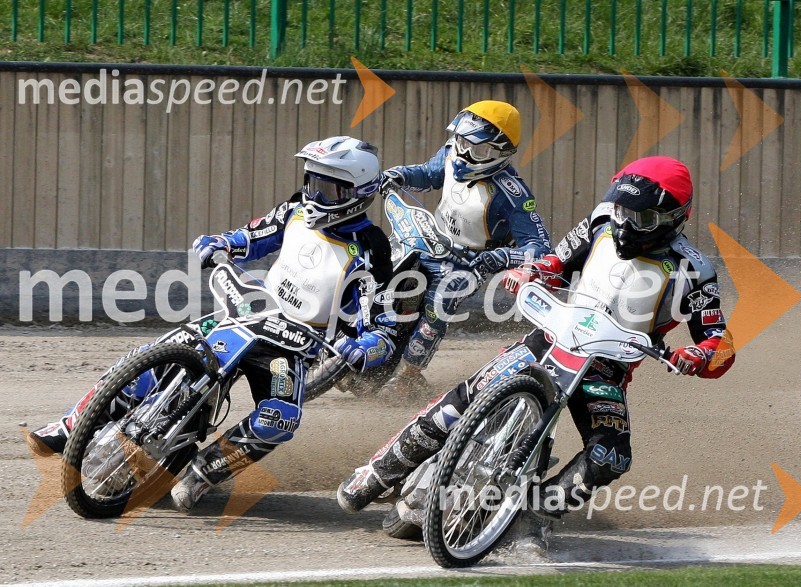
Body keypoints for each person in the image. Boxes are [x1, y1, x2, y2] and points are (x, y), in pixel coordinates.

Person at [337, 155, 736, 517]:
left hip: (604, 371)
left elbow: (719, 342)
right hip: (550, 337)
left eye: (642, 219)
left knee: (609, 457)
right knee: (464, 398)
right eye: (621, 210)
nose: (625, 225)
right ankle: (376, 472)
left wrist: (697, 356)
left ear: (675, 217)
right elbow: (556, 261)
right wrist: (533, 271)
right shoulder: (600, 220)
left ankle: (530, 514)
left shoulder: (695, 270)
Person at [28, 136, 397, 513]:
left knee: (280, 418)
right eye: (311, 182)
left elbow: (384, 324)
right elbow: (254, 236)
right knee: (150, 357)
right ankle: (72, 424)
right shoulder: (295, 210)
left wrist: (366, 346)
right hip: (249, 312)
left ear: (359, 192)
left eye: (328, 188)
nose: (314, 195)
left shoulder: (372, 248)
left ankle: (203, 472)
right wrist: (223, 242)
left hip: (293, 346)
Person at [378, 100, 551, 399]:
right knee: (376, 269)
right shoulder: (450, 152)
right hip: (426, 237)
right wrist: (401, 175)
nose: (465, 154)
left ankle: (408, 375)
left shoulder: (514, 195)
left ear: (503, 152)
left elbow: (540, 247)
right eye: (461, 141)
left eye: (480, 150)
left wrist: (499, 258)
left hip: (467, 263)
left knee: (439, 304)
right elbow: (428, 174)